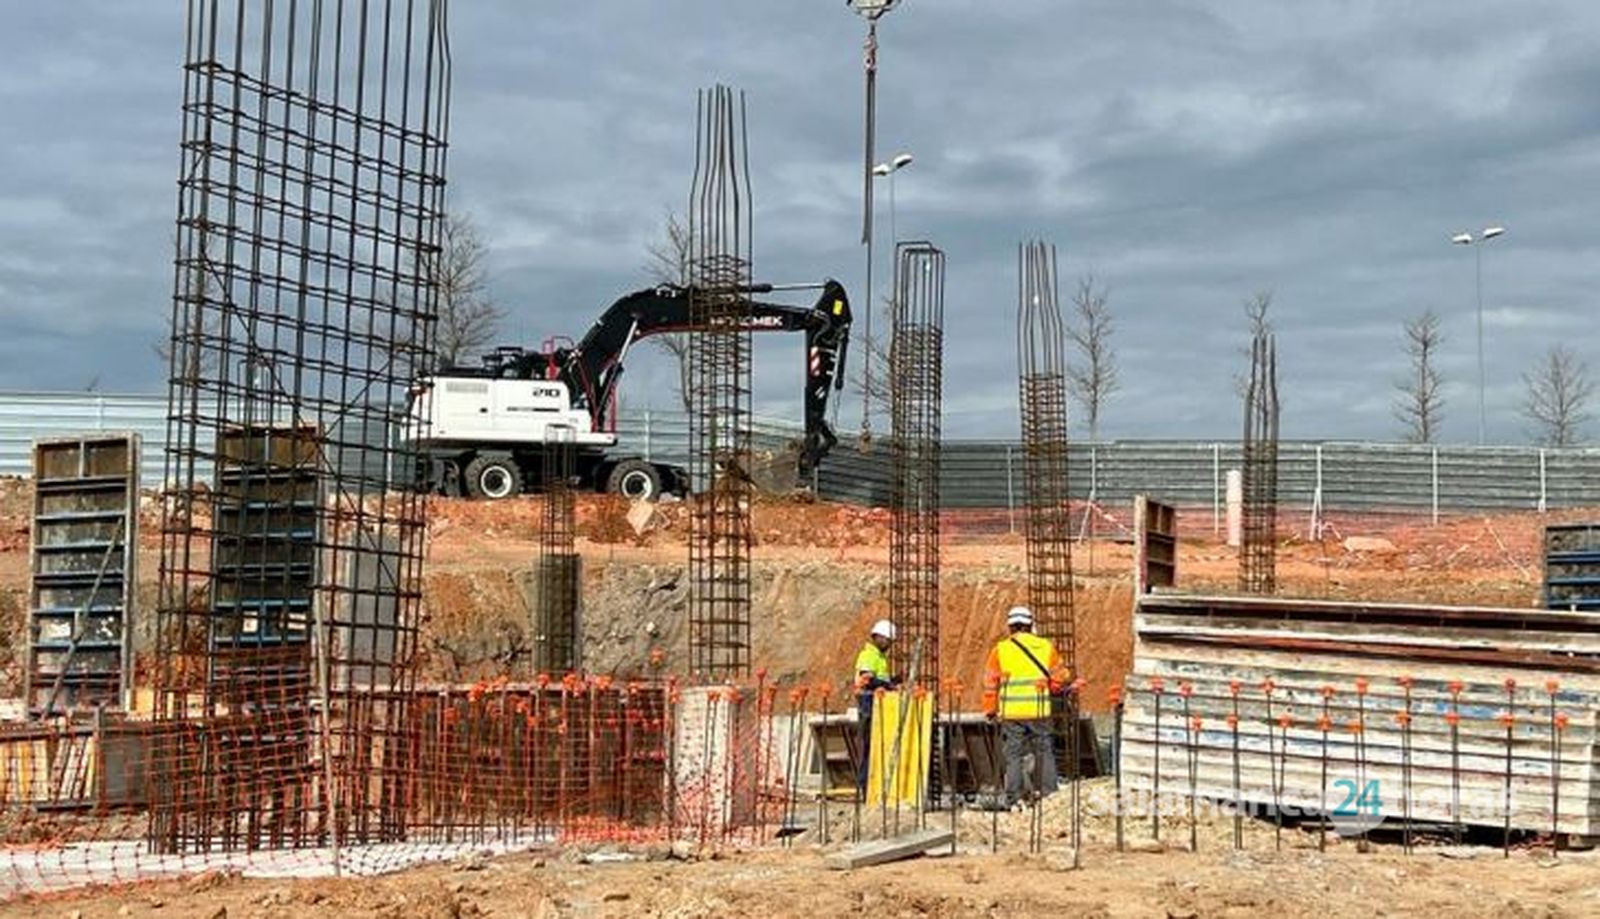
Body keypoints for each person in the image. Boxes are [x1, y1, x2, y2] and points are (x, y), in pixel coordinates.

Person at [982, 605, 1068, 807]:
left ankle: (1014, 798)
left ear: (1010, 626)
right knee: (1044, 751)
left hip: (1012, 712)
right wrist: (1052, 688)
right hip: (1038, 710)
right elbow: (1059, 679)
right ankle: (1049, 796)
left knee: (1013, 755)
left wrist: (990, 709)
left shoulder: (1000, 650)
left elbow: (990, 683)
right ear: (1030, 625)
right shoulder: (1046, 647)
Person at [854, 619, 898, 793]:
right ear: (878, 637)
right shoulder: (868, 654)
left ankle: (874, 788)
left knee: (878, 747)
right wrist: (889, 686)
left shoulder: (879, 657)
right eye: (887, 641)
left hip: (878, 703)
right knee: (869, 748)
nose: (889, 645)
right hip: (868, 704)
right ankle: (865, 789)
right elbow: (867, 679)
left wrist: (892, 681)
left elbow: (880, 680)